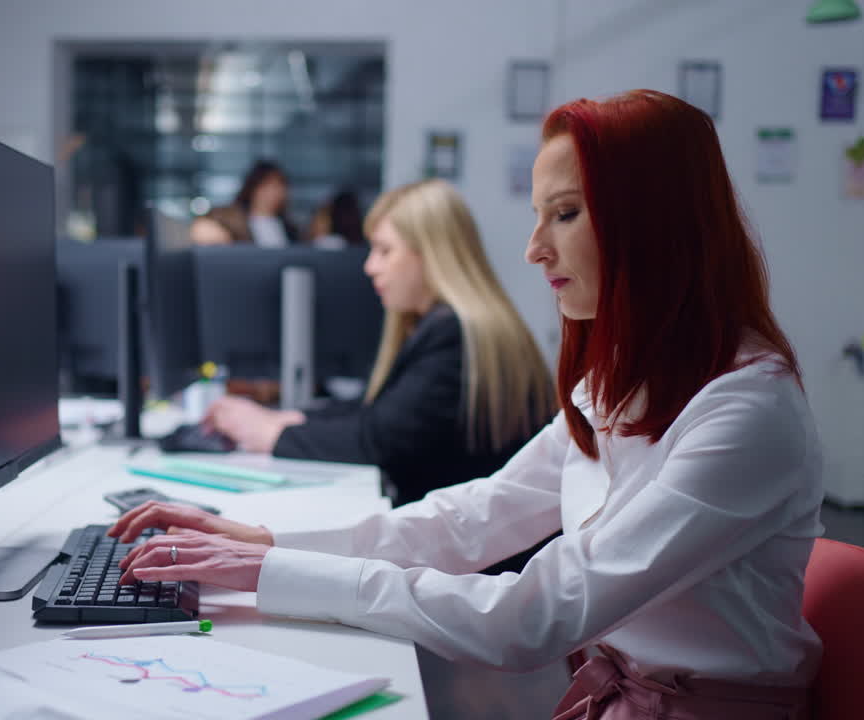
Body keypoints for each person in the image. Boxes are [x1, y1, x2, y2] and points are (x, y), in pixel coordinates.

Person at [110, 90, 823, 719]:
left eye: (566, 214)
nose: (535, 250)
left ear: (657, 225)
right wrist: (263, 543)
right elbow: (474, 516)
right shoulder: (618, 383)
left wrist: (271, 574)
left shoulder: (745, 412)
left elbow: (528, 618)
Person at [203, 178, 555, 509]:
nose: (370, 266)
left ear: (431, 254)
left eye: (385, 251)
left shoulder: (456, 336)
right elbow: (378, 409)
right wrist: (289, 418)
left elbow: (379, 441)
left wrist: (270, 432)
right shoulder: (447, 325)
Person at [189, 160, 296, 247]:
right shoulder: (233, 219)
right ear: (253, 188)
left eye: (279, 187)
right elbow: (202, 229)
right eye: (267, 186)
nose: (273, 193)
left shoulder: (290, 228)